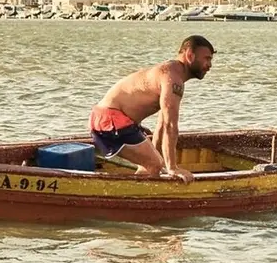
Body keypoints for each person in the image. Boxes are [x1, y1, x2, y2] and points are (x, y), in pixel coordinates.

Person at [88, 35, 216, 183]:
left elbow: (162, 125)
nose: (209, 65)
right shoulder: (173, 79)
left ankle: (135, 194)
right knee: (155, 165)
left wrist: (156, 154)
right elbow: (171, 126)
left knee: (151, 164)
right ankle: (136, 199)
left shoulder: (173, 74)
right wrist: (172, 167)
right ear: (189, 55)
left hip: (110, 119)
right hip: (110, 120)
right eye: (207, 58)